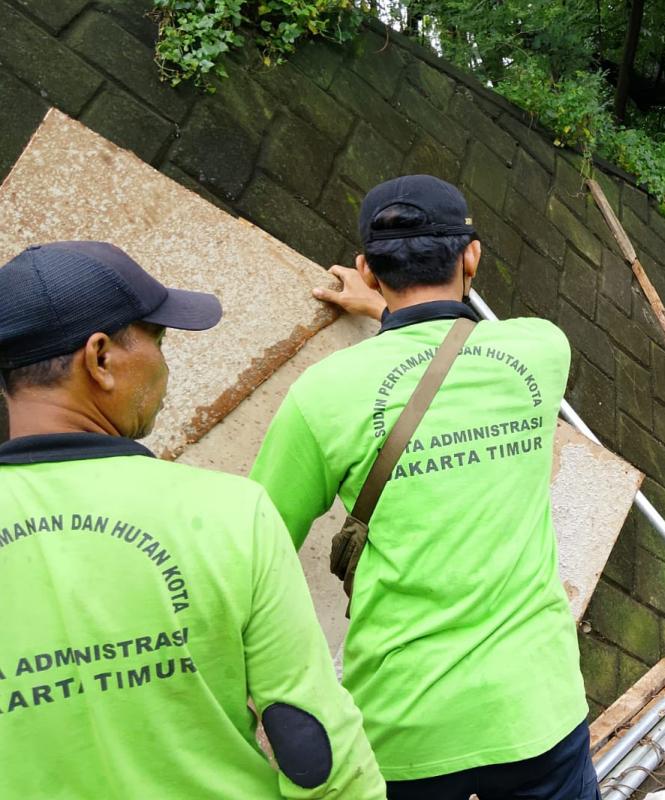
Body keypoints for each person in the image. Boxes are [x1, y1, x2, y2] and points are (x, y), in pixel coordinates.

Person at [249, 175, 597, 800]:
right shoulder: (542, 350)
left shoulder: (322, 395)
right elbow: (452, 340)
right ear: (472, 256)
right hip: (540, 710)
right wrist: (388, 309)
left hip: (406, 730)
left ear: (366, 267)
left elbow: (254, 546)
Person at [0, 242, 384, 798]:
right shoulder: (231, 515)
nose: (165, 364)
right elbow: (321, 756)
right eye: (156, 339)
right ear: (100, 358)